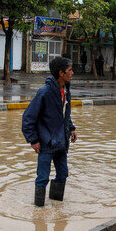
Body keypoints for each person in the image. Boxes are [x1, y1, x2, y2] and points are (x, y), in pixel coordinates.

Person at [22, 57, 78, 206]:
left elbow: (64, 113)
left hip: (61, 142)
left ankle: (56, 206)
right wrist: (33, 140)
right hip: (46, 143)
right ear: (61, 73)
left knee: (63, 174)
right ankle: (39, 212)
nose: (72, 73)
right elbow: (28, 117)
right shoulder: (45, 92)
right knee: (42, 177)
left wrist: (71, 128)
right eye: (69, 70)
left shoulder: (66, 90)